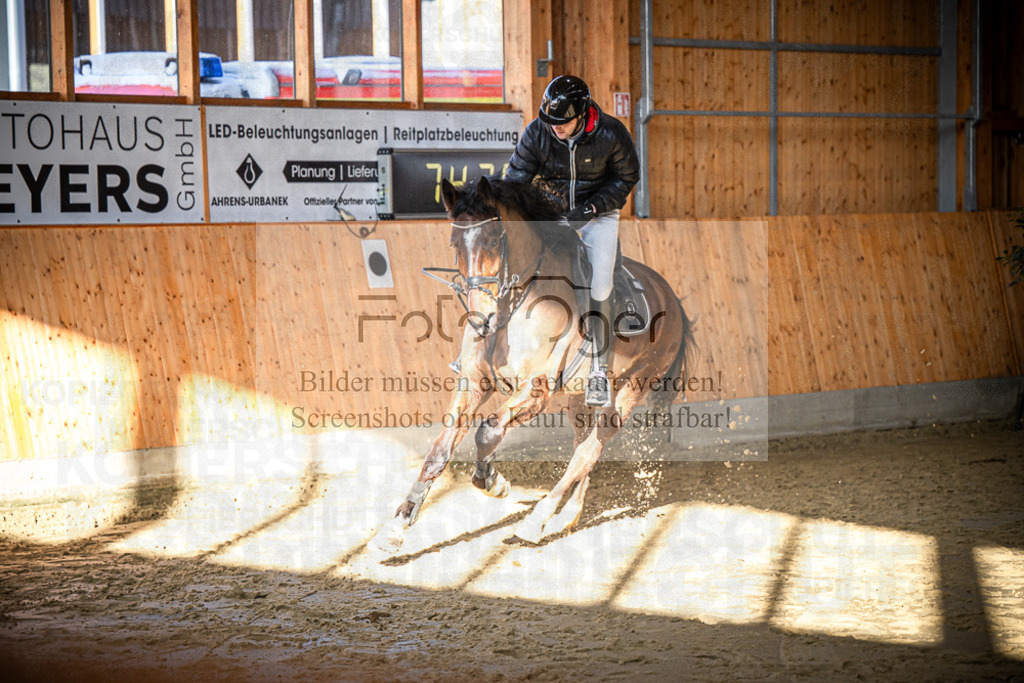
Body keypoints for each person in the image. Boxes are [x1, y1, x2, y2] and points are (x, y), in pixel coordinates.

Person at [505, 75, 640, 407]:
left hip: (597, 214)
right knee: (510, 265)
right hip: (551, 212)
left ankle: (599, 371)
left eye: (562, 122)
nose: (556, 127)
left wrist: (592, 208)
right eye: (551, 121)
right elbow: (517, 177)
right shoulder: (538, 132)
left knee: (600, 282)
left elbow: (627, 176)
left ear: (582, 114)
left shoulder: (612, 133)